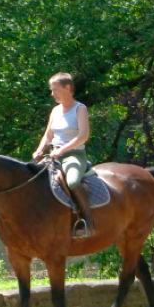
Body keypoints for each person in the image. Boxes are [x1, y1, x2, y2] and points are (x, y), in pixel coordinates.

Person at [32, 72, 95, 239]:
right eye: (51, 90)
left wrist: (62, 150)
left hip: (74, 155)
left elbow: (83, 136)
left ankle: (86, 221)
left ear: (68, 88)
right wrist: (39, 150)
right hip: (53, 155)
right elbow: (48, 135)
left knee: (73, 181)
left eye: (55, 90)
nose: (52, 94)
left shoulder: (79, 109)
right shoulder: (55, 111)